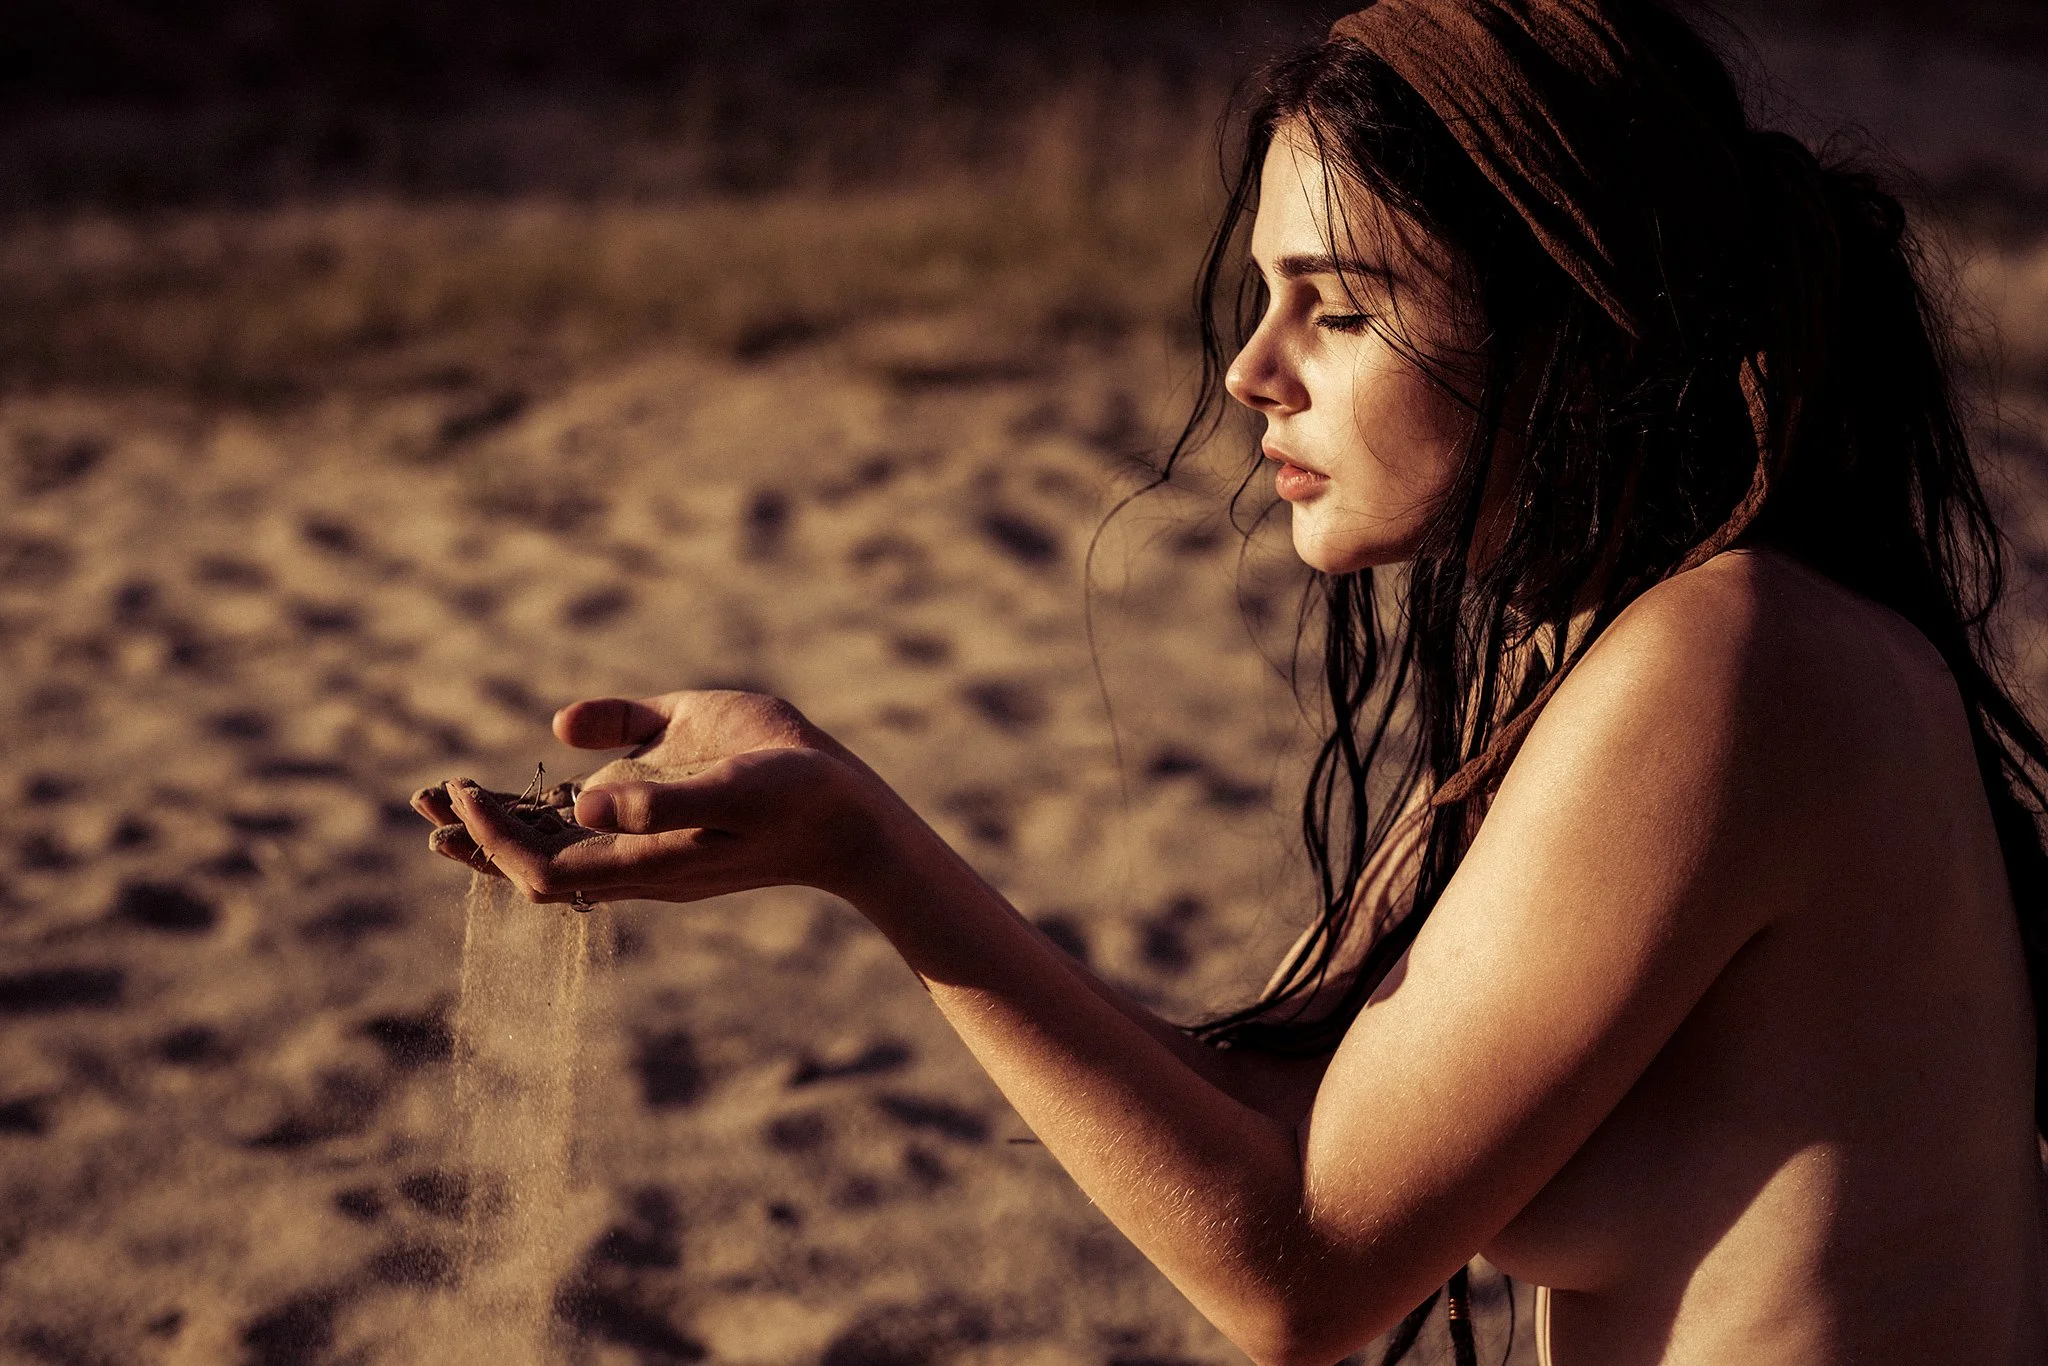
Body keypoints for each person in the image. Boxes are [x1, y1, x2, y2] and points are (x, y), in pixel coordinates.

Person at [413, 1, 2048, 1361]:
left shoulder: (1730, 659)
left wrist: (871, 855)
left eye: (1336, 307)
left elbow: (1300, 1266)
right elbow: (1288, 1110)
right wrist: (825, 791)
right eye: (1265, 297)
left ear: (1569, 322)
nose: (1252, 370)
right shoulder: (1601, 660)